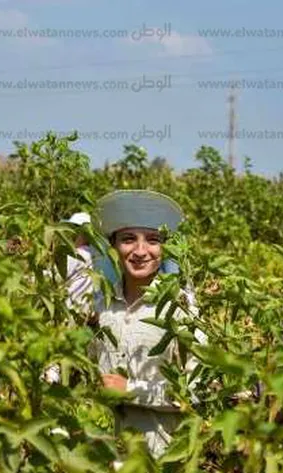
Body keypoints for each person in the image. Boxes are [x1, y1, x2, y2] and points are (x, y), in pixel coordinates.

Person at [85, 189, 206, 459]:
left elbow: (197, 391)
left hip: (160, 455)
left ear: (165, 248)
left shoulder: (182, 308)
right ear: (114, 246)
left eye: (153, 241)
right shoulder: (100, 305)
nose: (141, 251)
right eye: (128, 240)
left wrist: (129, 390)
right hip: (105, 454)